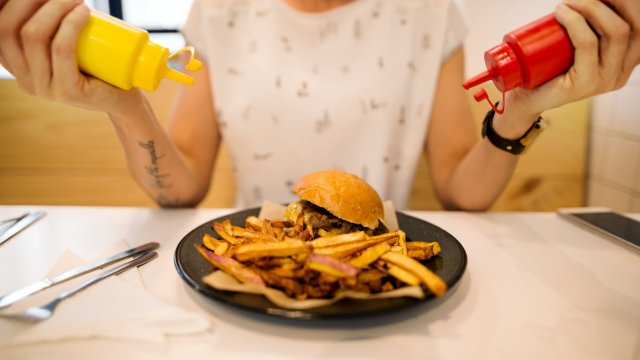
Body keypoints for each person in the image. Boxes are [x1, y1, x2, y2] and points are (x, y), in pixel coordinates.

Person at [0, 0, 637, 210]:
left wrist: (518, 111)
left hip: (382, 290)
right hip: (252, 281)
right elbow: (183, 186)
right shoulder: (221, 10)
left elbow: (460, 190)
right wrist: (125, 107)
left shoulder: (427, 12)